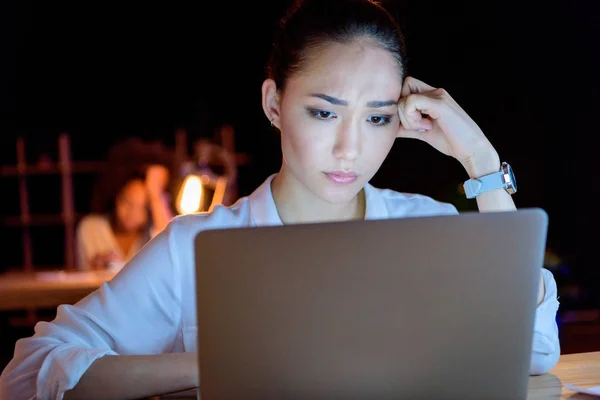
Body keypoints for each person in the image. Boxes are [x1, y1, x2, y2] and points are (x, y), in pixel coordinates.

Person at [0, 0, 560, 398]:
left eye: (377, 118)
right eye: (324, 112)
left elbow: (534, 352)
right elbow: (30, 373)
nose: (350, 148)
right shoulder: (195, 248)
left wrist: (481, 161)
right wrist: (217, 367)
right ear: (273, 103)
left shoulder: (430, 230)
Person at [76, 139, 175, 270]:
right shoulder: (92, 229)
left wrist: (155, 195)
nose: (132, 214)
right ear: (115, 195)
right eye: (126, 202)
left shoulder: (153, 231)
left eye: (142, 207)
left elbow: (172, 255)